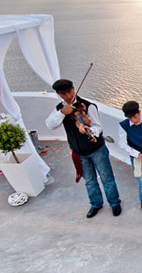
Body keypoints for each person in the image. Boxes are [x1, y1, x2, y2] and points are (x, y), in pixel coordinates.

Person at [46, 79, 121, 218]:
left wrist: (89, 131)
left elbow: (98, 127)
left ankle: (115, 203)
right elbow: (50, 125)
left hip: (96, 149)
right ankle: (96, 204)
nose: (68, 96)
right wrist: (62, 112)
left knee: (107, 178)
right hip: (79, 152)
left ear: (74, 89)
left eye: (70, 92)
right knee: (89, 180)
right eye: (64, 94)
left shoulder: (88, 106)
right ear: (59, 94)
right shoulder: (60, 109)